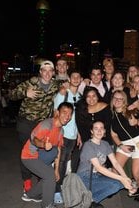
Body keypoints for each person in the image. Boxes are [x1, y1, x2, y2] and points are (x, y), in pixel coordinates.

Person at [10, 60, 62, 193]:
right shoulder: (31, 83)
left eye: (50, 71)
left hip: (41, 125)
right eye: (44, 70)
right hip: (26, 123)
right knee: (26, 152)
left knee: (40, 151)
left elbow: (67, 81)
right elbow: (11, 94)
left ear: (53, 73)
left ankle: (40, 175)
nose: (47, 73)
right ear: (40, 72)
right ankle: (27, 180)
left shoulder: (55, 85)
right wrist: (24, 93)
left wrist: (85, 81)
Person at [21, 102, 74, 208]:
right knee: (49, 175)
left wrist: (56, 170)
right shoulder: (47, 124)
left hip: (40, 156)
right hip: (29, 156)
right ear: (58, 113)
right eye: (64, 112)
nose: (67, 116)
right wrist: (43, 144)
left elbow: (58, 150)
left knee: (51, 173)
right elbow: (34, 139)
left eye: (70, 114)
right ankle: (47, 205)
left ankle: (30, 195)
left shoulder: (61, 131)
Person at [77, 120, 134, 208]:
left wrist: (126, 178)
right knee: (116, 184)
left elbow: (115, 163)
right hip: (85, 177)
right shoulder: (88, 145)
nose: (99, 131)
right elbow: (99, 168)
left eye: (101, 128)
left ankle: (89, 200)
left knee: (121, 183)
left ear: (104, 131)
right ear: (91, 131)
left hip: (97, 176)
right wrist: (122, 178)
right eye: (96, 128)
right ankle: (87, 201)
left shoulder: (105, 144)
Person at [110, 90, 139, 201]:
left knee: (136, 172)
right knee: (115, 169)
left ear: (124, 101)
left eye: (120, 98)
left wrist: (137, 122)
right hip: (125, 143)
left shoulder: (132, 110)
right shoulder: (112, 116)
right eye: (115, 98)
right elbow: (113, 134)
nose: (117, 100)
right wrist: (120, 145)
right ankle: (117, 187)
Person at [53, 70, 83, 204]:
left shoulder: (81, 96)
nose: (76, 78)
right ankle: (56, 190)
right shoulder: (63, 93)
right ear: (69, 79)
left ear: (81, 79)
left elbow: (78, 119)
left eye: (78, 77)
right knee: (61, 162)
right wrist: (56, 133)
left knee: (66, 162)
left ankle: (62, 186)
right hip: (62, 134)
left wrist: (79, 134)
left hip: (73, 136)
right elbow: (55, 114)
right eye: (73, 76)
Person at [74, 86, 113, 172]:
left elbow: (109, 126)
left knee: (105, 169)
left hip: (104, 143)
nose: (91, 98)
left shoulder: (106, 108)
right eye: (88, 96)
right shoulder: (81, 109)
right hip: (88, 144)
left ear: (98, 96)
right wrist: (80, 136)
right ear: (85, 98)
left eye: (94, 96)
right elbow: (80, 126)